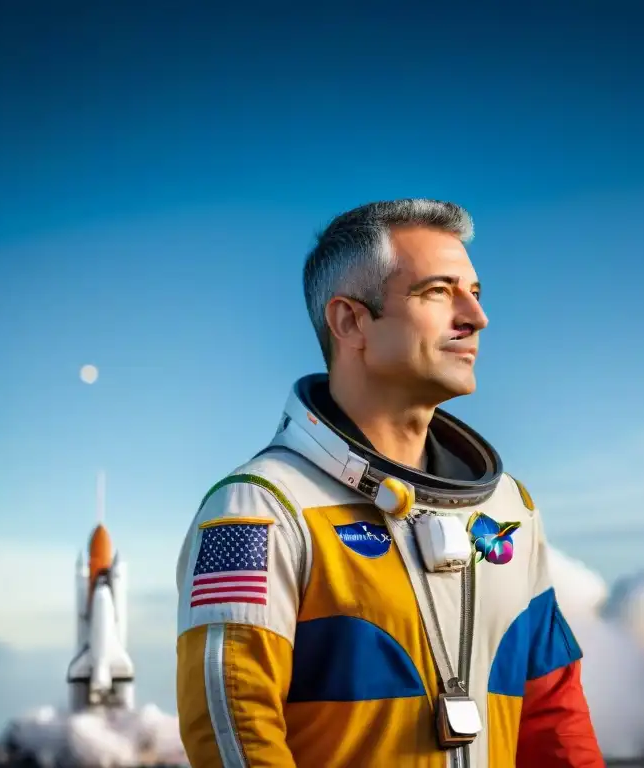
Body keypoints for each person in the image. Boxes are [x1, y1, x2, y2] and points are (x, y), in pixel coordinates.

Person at [175, 199, 604, 768]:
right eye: (437, 291)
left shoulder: (511, 510)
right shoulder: (257, 508)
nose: (475, 317)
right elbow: (236, 731)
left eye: (476, 292)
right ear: (351, 321)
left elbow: (555, 714)